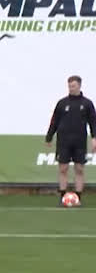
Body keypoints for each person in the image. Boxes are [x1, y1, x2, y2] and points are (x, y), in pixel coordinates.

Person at [44, 74, 96, 206]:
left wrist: (94, 138)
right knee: (63, 169)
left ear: (79, 86)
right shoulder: (62, 103)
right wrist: (49, 137)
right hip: (63, 141)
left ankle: (78, 198)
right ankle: (62, 197)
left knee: (79, 169)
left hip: (79, 141)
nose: (71, 88)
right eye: (69, 86)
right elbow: (54, 121)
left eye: (73, 86)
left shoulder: (87, 103)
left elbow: (93, 122)